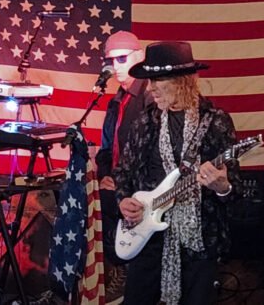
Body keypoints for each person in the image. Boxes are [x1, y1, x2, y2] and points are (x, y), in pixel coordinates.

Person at [114, 41, 240, 305]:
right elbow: (124, 173)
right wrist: (123, 200)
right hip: (148, 236)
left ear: (183, 81)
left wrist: (222, 187)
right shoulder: (145, 122)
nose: (151, 88)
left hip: (197, 241)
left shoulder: (215, 122)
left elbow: (235, 190)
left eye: (158, 80)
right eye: (150, 80)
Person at [95, 31, 152, 263]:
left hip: (141, 188)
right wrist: (106, 175)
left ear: (139, 56)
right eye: (111, 60)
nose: (116, 66)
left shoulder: (150, 96)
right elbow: (106, 148)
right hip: (117, 186)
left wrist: (124, 182)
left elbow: (152, 151)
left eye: (122, 58)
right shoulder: (116, 101)